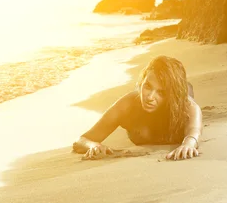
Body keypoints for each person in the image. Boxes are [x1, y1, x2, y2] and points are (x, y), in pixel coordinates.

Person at [73, 55, 202, 160]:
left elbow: (194, 132)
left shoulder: (187, 106)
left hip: (180, 94)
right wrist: (93, 145)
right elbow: (82, 140)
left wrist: (188, 145)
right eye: (147, 86)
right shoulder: (127, 105)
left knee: (185, 88)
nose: (150, 97)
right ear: (141, 82)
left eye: (161, 93)